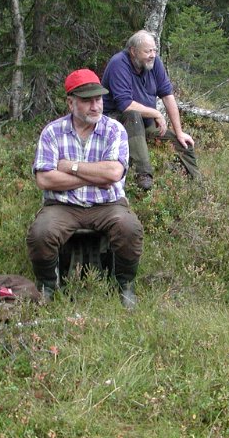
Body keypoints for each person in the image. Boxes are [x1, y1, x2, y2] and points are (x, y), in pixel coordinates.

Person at [26, 69, 144, 309]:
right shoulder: (52, 132)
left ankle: (125, 285)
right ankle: (47, 286)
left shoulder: (114, 130)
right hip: (62, 206)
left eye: (98, 99)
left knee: (129, 228)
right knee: (40, 233)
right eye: (87, 100)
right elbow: (45, 180)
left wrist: (71, 167)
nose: (95, 106)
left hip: (108, 205)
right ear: (71, 103)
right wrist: (94, 176)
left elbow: (113, 174)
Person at [102, 30, 201, 190]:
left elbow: (168, 96)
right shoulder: (118, 64)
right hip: (117, 123)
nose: (153, 54)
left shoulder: (154, 63)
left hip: (145, 124)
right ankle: (143, 175)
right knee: (133, 115)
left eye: (154, 50)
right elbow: (125, 105)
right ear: (133, 51)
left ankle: (197, 184)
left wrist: (179, 131)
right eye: (148, 51)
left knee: (184, 144)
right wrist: (155, 113)